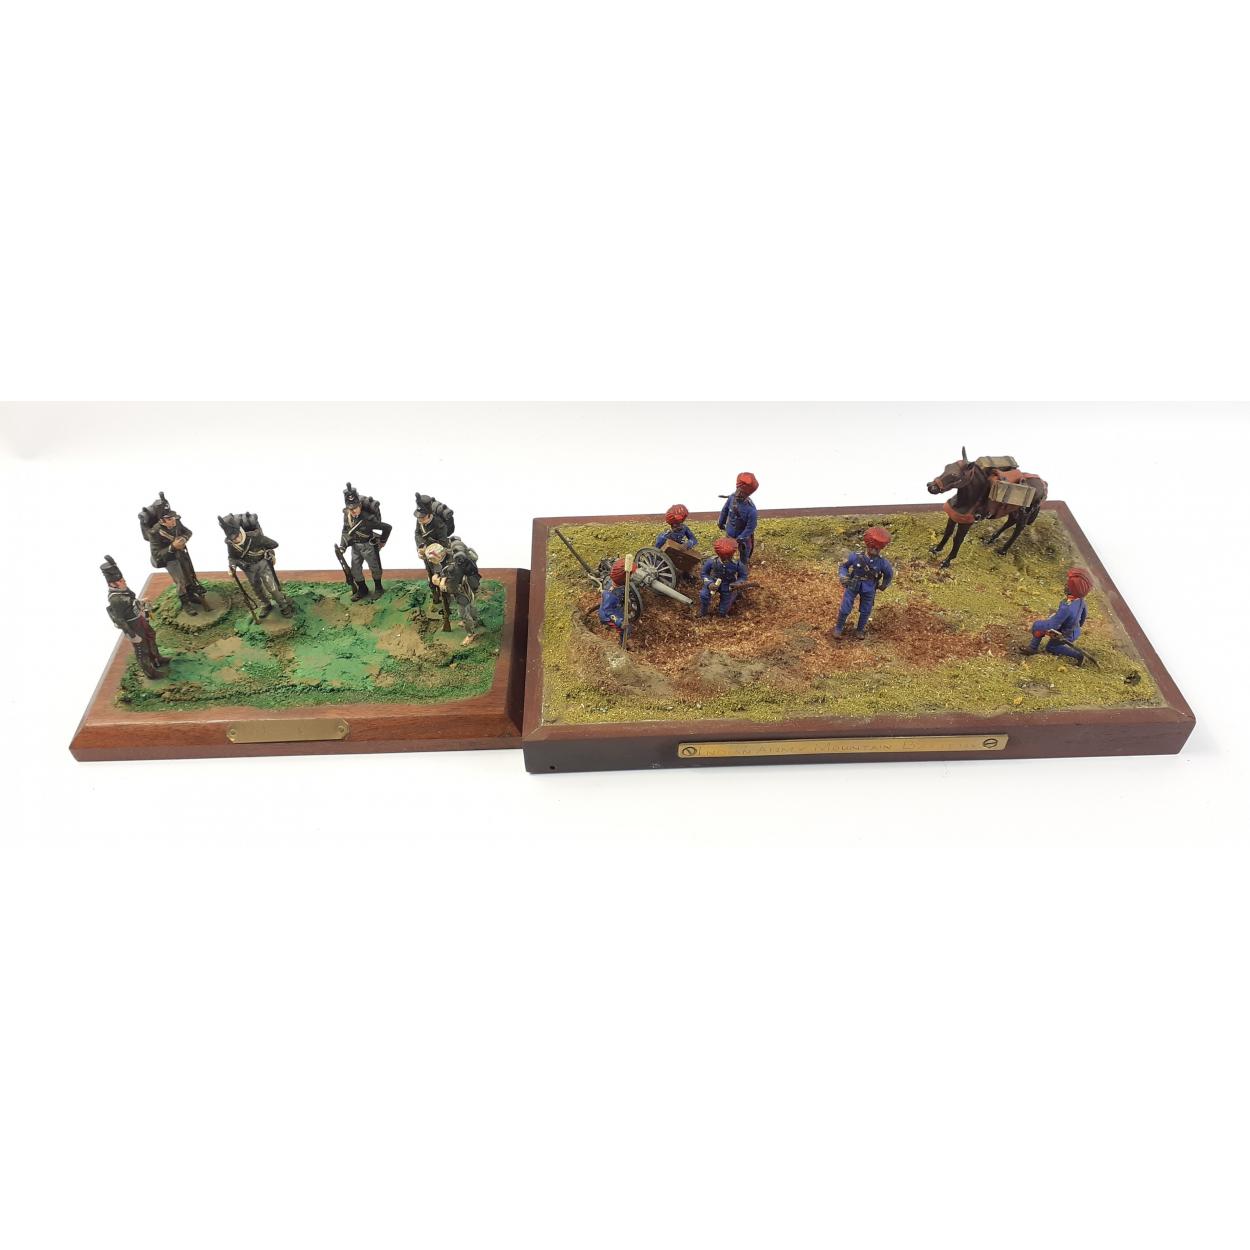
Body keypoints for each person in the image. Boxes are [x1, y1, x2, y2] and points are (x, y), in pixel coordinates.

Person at [102, 555, 169, 678]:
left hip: (139, 618)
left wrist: (140, 602)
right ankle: (150, 673)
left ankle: (156, 659)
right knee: (141, 649)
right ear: (113, 584)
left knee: (150, 636)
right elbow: (119, 620)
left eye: (122, 580)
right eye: (120, 581)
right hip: (133, 625)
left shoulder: (124, 589)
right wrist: (132, 635)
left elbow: (131, 601)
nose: (124, 582)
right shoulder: (115, 599)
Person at [141, 492, 207, 616]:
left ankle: (191, 596)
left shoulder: (176, 522)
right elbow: (157, 555)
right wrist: (172, 547)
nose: (173, 520)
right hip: (169, 559)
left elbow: (188, 532)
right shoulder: (155, 533)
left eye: (173, 518)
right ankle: (185, 603)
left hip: (181, 554)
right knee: (180, 581)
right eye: (169, 519)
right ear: (162, 520)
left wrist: (184, 539)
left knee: (189, 575)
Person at [220, 513, 293, 619]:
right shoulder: (231, 544)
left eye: (236, 537)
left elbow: (273, 544)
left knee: (272, 588)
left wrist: (269, 553)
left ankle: (284, 606)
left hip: (262, 564)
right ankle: (266, 605)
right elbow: (232, 557)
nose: (235, 540)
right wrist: (232, 567)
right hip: (248, 569)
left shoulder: (255, 537)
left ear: (240, 532)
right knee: (257, 589)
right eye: (233, 539)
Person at [1022, 567, 1093, 665]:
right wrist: (1077, 625)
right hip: (1075, 630)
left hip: (1066, 634)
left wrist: (1042, 624)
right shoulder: (1080, 600)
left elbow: (1053, 625)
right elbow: (1084, 615)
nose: (1066, 586)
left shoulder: (1066, 607)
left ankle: (1078, 655)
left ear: (1073, 589)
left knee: (1044, 637)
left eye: (1069, 585)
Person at [835, 527, 894, 639]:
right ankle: (838, 628)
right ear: (868, 545)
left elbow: (889, 574)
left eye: (877, 548)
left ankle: (860, 630)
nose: (874, 550)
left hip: (869, 587)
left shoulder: (882, 562)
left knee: (866, 610)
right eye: (872, 547)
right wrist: (843, 576)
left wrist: (883, 585)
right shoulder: (856, 556)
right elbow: (844, 566)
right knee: (845, 607)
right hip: (853, 584)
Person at [340, 482, 392, 601]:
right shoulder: (347, 515)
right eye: (350, 508)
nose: (353, 511)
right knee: (355, 569)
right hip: (355, 546)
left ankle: (378, 588)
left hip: (368, 545)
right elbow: (345, 531)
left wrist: (382, 541)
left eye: (355, 508)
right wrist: (343, 546)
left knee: (375, 568)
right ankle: (362, 589)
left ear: (360, 505)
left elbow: (387, 527)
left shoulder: (368, 518)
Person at [425, 540, 483, 644]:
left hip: (463, 590)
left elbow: (452, 588)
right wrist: (439, 575)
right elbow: (442, 568)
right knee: (470, 606)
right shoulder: (448, 553)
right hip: (466, 584)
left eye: (431, 558)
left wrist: (439, 582)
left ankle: (471, 634)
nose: (430, 561)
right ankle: (475, 621)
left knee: (463, 613)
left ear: (438, 556)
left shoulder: (453, 567)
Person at [414, 493, 455, 602]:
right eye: (419, 517)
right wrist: (420, 546)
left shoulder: (439, 524)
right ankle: (435, 594)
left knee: (442, 576)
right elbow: (417, 533)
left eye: (422, 517)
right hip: (427, 554)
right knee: (430, 573)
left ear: (429, 514)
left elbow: (443, 542)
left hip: (439, 554)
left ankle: (447, 597)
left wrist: (431, 550)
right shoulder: (420, 521)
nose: (420, 519)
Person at [699, 537, 749, 617]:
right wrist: (709, 583)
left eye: (729, 556)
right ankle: (703, 612)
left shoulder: (737, 563)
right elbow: (704, 573)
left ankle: (725, 608)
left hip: (728, 585)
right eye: (723, 557)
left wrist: (737, 583)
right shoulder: (712, 561)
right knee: (704, 595)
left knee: (723, 611)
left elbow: (743, 576)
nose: (726, 559)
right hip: (713, 581)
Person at [717, 472, 759, 565]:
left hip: (743, 537)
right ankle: (727, 564)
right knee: (726, 550)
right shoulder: (732, 498)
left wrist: (740, 538)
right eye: (738, 490)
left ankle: (743, 566)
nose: (738, 493)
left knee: (744, 553)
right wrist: (721, 522)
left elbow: (750, 528)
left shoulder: (751, 510)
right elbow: (725, 510)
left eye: (742, 492)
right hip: (730, 532)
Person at [598, 558, 632, 634]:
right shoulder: (610, 596)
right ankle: (622, 639)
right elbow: (608, 611)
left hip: (617, 606)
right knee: (627, 630)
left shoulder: (615, 583)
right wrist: (619, 622)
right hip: (608, 616)